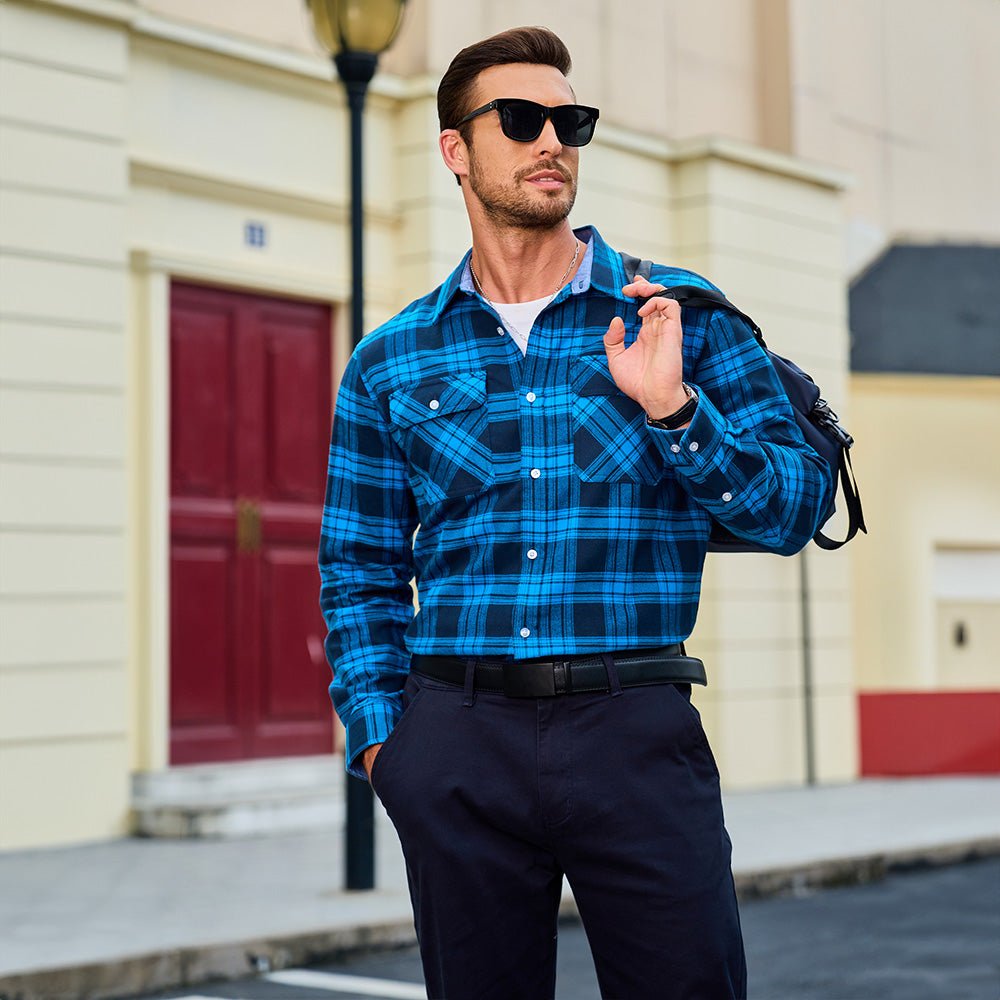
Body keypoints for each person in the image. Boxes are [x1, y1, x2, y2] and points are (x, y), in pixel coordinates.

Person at [319, 25, 830, 1000]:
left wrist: (676, 411)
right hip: (458, 738)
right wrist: (390, 746)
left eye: (571, 120)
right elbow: (358, 564)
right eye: (521, 119)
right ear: (456, 151)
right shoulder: (391, 360)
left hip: (633, 730)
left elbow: (790, 511)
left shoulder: (680, 316)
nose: (552, 139)